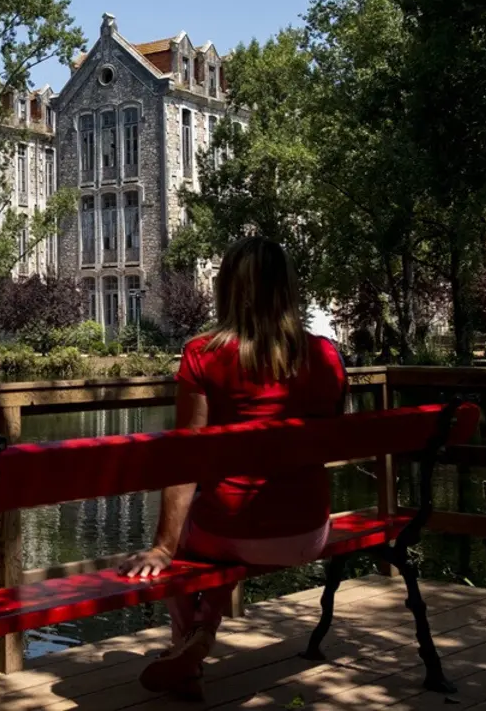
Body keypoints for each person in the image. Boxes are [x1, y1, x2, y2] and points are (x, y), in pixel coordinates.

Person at [118, 237, 347, 700]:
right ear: (288, 290)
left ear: (226, 289)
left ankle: (188, 643)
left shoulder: (203, 355)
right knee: (229, 518)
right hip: (308, 532)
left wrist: (162, 547)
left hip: (233, 532)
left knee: (191, 533)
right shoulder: (326, 355)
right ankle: (200, 635)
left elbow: (186, 459)